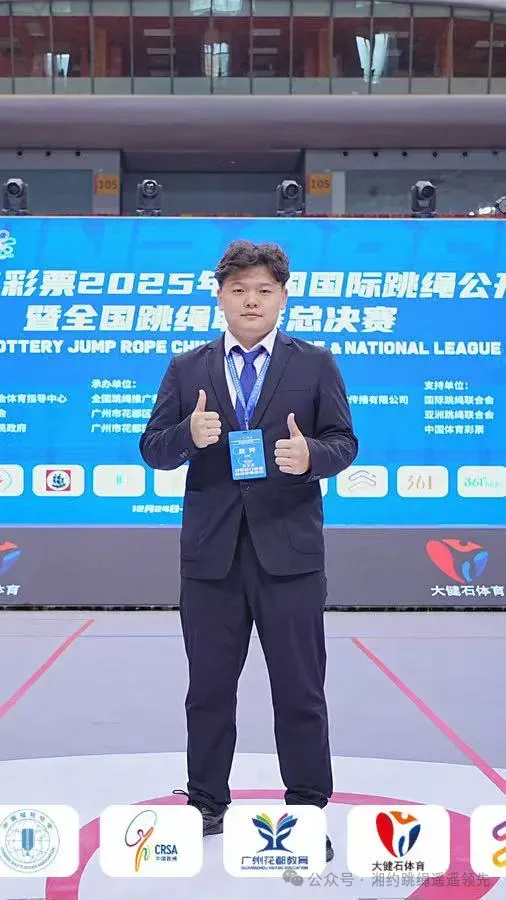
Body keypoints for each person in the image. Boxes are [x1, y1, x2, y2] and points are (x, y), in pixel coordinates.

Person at [140, 239, 358, 863]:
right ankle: (206, 803)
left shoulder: (314, 363)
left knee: (300, 690)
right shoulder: (188, 368)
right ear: (220, 297)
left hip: (289, 556)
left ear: (283, 297)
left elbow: (344, 442)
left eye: (264, 290)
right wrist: (189, 434)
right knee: (208, 690)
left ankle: (307, 808)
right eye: (239, 290)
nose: (252, 301)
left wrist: (311, 456)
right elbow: (153, 448)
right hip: (211, 558)